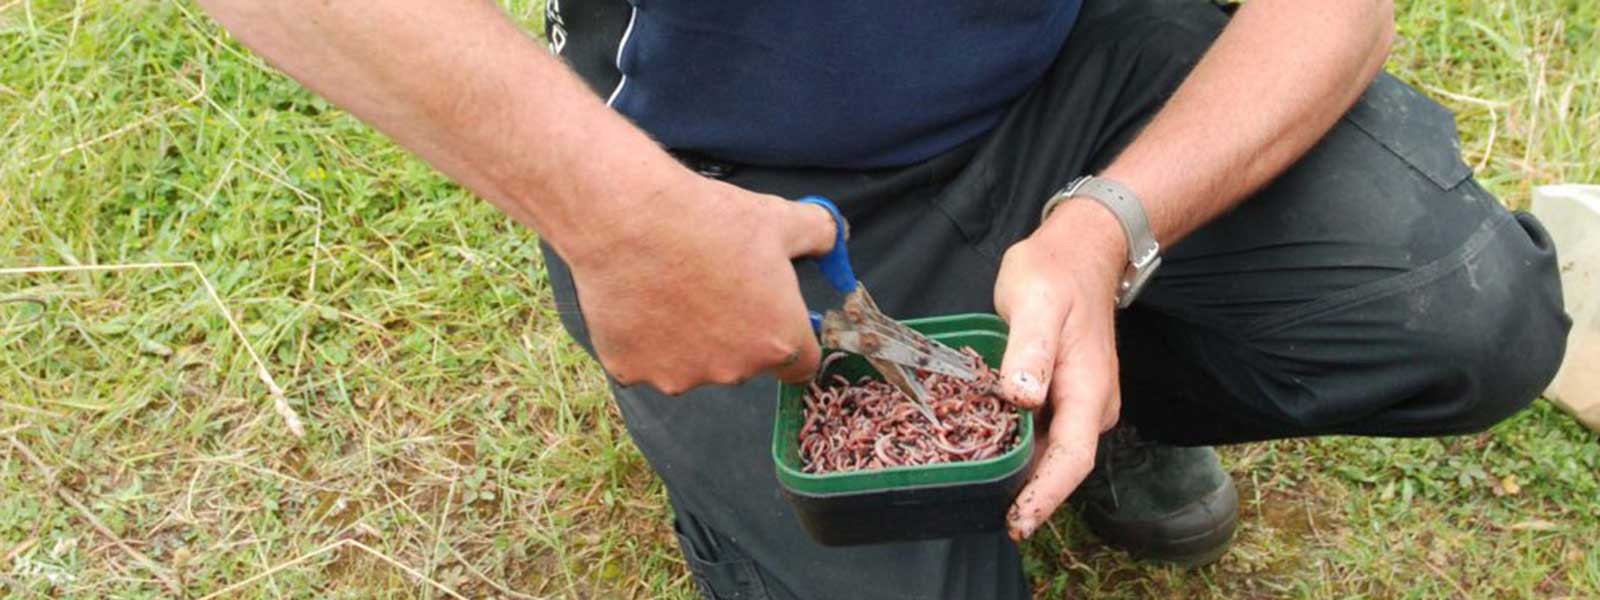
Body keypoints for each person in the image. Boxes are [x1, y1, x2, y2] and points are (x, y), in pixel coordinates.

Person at [197, 0, 1569, 597]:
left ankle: (1107, 384)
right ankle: (747, 497)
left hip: (1070, 93)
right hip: (723, 188)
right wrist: (619, 220)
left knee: (1459, 304)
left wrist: (1111, 228)